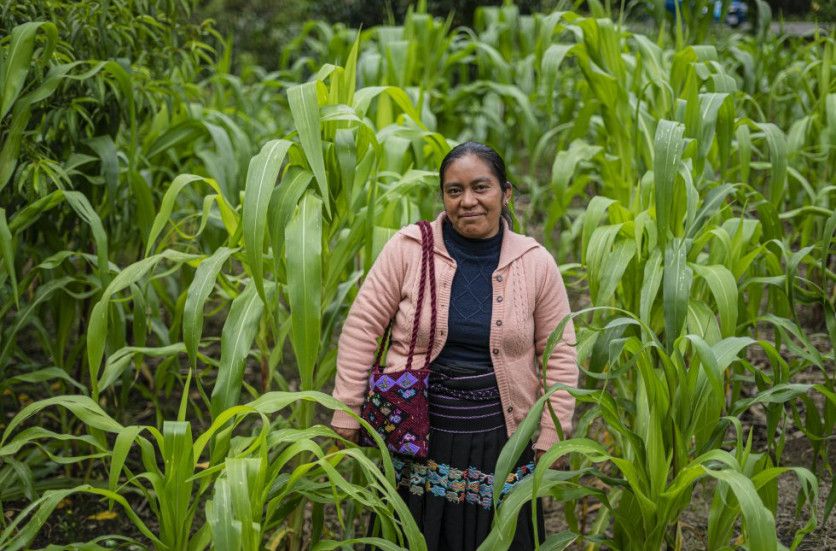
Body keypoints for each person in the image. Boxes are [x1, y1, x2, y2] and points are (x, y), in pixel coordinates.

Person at [330, 141, 579, 550]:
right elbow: (362, 326)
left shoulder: (535, 263)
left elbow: (560, 352)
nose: (468, 201)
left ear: (505, 193)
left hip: (502, 434)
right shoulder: (410, 249)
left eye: (481, 187)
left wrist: (553, 430)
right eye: (454, 190)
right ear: (443, 196)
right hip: (418, 432)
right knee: (416, 534)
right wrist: (347, 407)